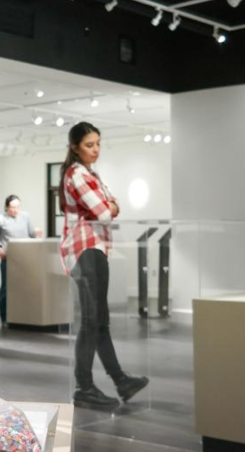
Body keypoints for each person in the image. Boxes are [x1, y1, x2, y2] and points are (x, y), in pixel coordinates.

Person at [59, 122, 148, 410]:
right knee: (91, 321)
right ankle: (84, 387)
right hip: (85, 249)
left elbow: (107, 207)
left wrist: (110, 203)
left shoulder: (88, 173)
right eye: (89, 144)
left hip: (94, 249)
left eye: (98, 143)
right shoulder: (77, 174)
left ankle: (120, 379)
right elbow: (104, 212)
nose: (95, 149)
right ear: (74, 147)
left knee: (99, 321)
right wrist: (111, 203)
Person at [0, 194, 42, 325]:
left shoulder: (25, 216)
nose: (16, 210)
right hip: (8, 259)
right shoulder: (0, 219)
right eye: (13, 207)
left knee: (25, 288)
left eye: (18, 207)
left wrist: (38, 234)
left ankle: (23, 316)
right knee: (6, 289)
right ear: (6, 207)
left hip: (25, 258)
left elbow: (32, 235)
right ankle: (4, 318)